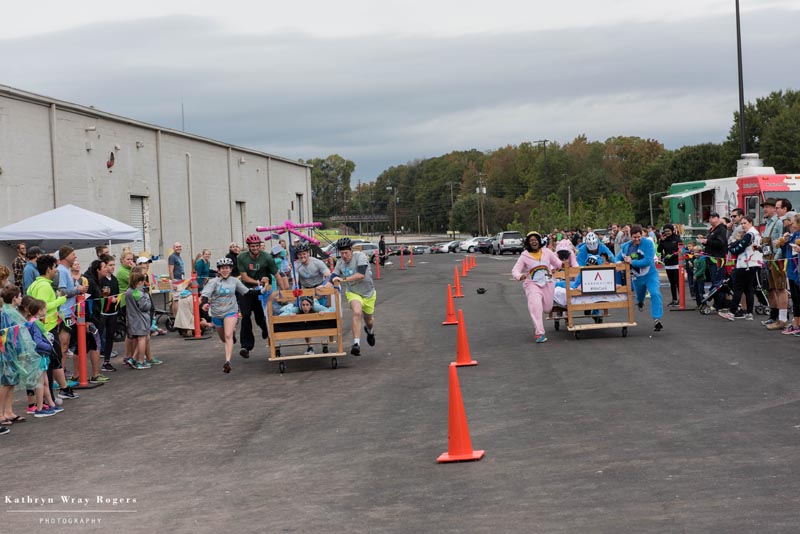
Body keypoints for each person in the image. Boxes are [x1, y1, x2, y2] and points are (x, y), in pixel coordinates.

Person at [27, 255, 78, 401]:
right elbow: (42, 307)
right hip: (46, 329)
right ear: (49, 269)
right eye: (55, 267)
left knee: (55, 360)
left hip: (44, 328)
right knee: (48, 364)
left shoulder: (36, 284)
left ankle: (61, 390)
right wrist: (60, 300)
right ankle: (48, 400)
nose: (56, 270)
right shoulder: (43, 286)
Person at [510, 231, 563, 343]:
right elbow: (515, 270)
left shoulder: (547, 252)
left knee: (547, 308)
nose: (533, 242)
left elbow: (558, 263)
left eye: (535, 240)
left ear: (539, 241)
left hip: (548, 283)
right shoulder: (524, 255)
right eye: (531, 240)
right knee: (535, 306)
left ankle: (542, 311)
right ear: (528, 243)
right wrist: (519, 276)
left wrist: (565, 264)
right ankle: (540, 333)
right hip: (532, 284)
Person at [201, 257, 250, 374]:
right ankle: (232, 334)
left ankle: (227, 361)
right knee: (224, 338)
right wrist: (204, 304)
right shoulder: (213, 282)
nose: (225, 270)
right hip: (217, 313)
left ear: (231, 269)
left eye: (227, 268)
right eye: (222, 268)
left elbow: (247, 292)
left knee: (228, 336)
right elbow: (205, 295)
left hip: (231, 311)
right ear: (218, 270)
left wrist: (261, 291)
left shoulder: (234, 281)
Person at [331, 237, 377, 356]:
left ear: (351, 250)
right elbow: (333, 276)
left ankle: (370, 331)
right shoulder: (340, 263)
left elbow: (361, 274)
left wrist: (343, 279)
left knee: (369, 320)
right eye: (342, 253)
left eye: (346, 253)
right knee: (357, 312)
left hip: (368, 293)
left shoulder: (360, 256)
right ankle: (356, 344)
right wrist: (324, 284)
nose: (344, 256)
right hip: (353, 292)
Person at [236, 234, 277, 358]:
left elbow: (277, 274)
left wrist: (283, 292)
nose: (255, 248)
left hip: (261, 291)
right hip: (246, 291)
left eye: (257, 245)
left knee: (260, 316)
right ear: (249, 246)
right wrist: (258, 282)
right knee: (246, 316)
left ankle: (265, 329)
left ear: (260, 246)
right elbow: (244, 277)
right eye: (252, 246)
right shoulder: (241, 257)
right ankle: (246, 346)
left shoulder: (267, 257)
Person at [616, 224, 663, 332]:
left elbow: (648, 261)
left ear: (642, 235)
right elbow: (617, 258)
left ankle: (657, 319)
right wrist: (619, 264)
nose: (637, 239)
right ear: (631, 236)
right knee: (640, 296)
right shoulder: (626, 247)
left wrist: (632, 262)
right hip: (637, 277)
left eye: (639, 237)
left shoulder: (648, 243)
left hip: (650, 274)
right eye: (634, 237)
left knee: (655, 293)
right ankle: (640, 302)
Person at [718, 216, 762, 321]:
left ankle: (732, 312)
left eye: (745, 223)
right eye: (741, 223)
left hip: (745, 264)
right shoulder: (756, 233)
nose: (742, 225)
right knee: (748, 289)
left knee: (738, 288)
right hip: (753, 263)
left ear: (751, 223)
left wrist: (731, 248)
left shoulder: (749, 234)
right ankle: (749, 313)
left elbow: (739, 248)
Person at [759, 198, 789, 330]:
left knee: (780, 288)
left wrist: (776, 259)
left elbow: (782, 242)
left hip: (776, 260)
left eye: (768, 207)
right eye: (764, 207)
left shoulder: (779, 222)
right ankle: (774, 316)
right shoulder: (768, 223)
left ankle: (783, 319)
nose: (765, 209)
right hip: (768, 259)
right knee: (771, 288)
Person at [82, 256, 112, 383]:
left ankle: (81, 375)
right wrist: (87, 320)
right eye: (104, 267)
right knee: (95, 344)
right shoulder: (90, 282)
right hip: (90, 318)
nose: (107, 269)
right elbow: (85, 301)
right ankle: (94, 374)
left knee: (86, 346)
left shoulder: (97, 280)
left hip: (94, 316)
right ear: (98, 270)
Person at [697, 213, 728, 312]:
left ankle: (719, 305)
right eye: (709, 218)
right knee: (715, 281)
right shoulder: (712, 229)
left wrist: (707, 241)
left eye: (713, 217)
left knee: (718, 282)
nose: (710, 219)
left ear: (718, 219)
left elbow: (720, 243)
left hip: (717, 260)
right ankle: (717, 303)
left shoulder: (721, 229)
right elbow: (711, 242)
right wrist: (704, 240)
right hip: (711, 258)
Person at [125, 270, 153, 370]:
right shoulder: (139, 293)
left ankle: (133, 358)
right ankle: (140, 361)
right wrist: (147, 296)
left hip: (132, 319)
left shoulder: (129, 291)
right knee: (142, 339)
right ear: (140, 282)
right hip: (141, 319)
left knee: (142, 338)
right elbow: (145, 306)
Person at [98, 256, 120, 373]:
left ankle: (106, 361)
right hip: (103, 312)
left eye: (113, 265)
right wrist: (109, 299)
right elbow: (101, 295)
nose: (112, 267)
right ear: (105, 266)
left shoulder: (114, 279)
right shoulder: (102, 280)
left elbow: (118, 293)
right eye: (110, 265)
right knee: (99, 336)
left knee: (110, 336)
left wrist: (117, 300)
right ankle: (95, 362)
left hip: (113, 312)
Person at [657, 224, 681, 306]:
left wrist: (673, 255)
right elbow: (659, 250)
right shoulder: (664, 239)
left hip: (676, 263)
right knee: (672, 283)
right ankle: (674, 299)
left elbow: (681, 250)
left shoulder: (677, 238)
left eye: (668, 231)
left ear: (672, 231)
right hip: (668, 264)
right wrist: (661, 241)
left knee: (678, 282)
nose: (667, 233)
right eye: (665, 231)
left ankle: (681, 299)